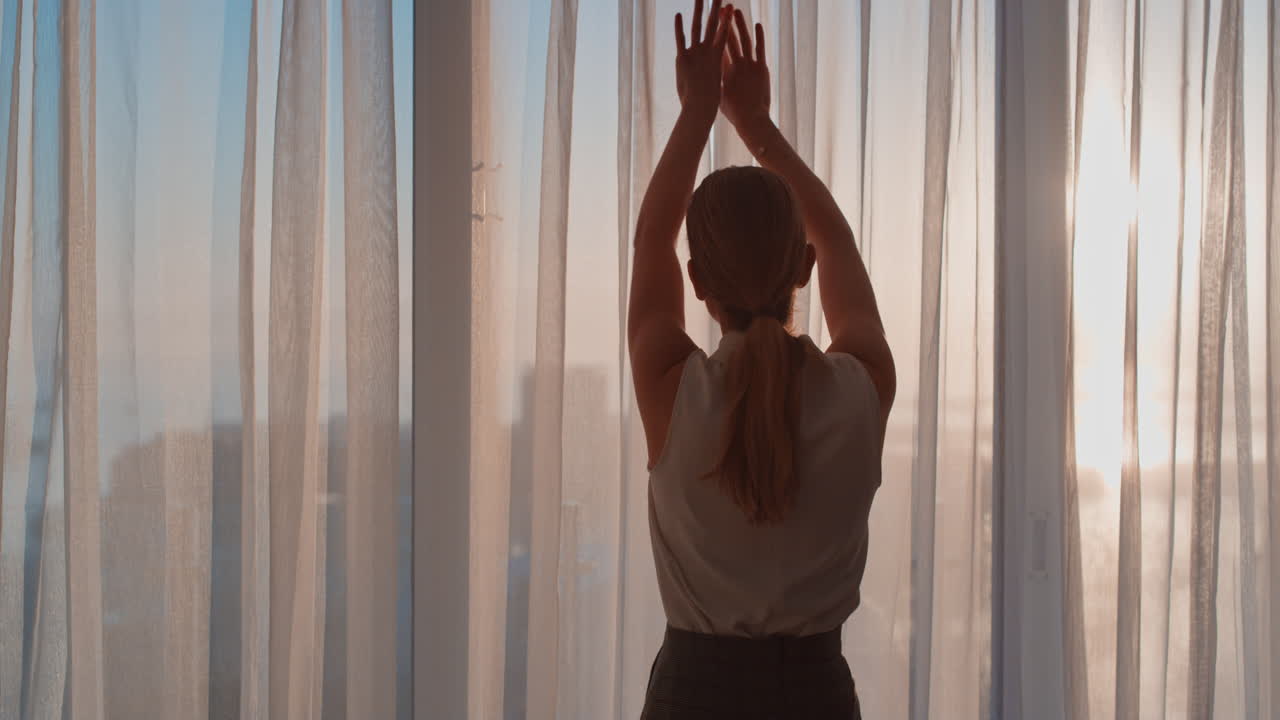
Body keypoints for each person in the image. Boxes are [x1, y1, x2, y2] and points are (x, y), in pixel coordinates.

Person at [626, 1, 896, 717]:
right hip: (816, 697)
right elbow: (840, 244)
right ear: (803, 268)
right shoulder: (862, 389)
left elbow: (650, 241)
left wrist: (697, 112)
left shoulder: (670, 389)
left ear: (698, 285)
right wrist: (757, 127)